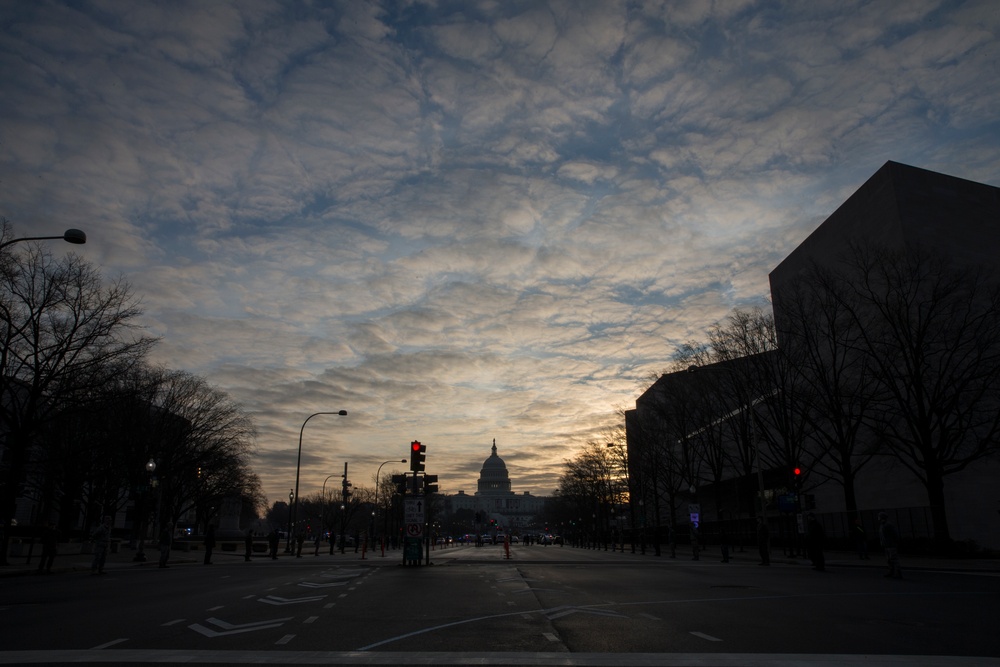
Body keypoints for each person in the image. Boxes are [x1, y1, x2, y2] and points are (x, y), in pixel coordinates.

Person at [878, 512, 903, 579]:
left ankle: (898, 573)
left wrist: (895, 542)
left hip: (891, 545)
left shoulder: (888, 525)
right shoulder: (882, 525)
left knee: (893, 559)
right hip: (886, 545)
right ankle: (891, 571)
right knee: (889, 560)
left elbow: (895, 534)